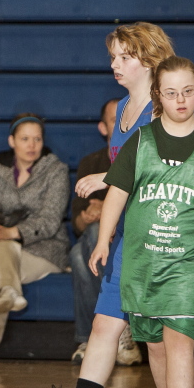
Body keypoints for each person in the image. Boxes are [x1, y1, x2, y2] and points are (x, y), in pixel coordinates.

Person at [28, 22, 174, 388]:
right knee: (105, 324)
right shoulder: (126, 108)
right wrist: (107, 233)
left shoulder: (162, 108)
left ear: (148, 59)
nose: (115, 64)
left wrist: (107, 177)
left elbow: (164, 170)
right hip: (131, 235)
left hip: (162, 235)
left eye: (124, 57)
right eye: (113, 56)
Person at [89, 56, 194, 388]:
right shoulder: (140, 141)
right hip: (145, 262)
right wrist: (103, 239)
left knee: (180, 339)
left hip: (191, 262)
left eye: (189, 91)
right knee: (157, 345)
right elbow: (116, 195)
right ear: (158, 96)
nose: (181, 100)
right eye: (172, 92)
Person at [0, 114, 70, 364]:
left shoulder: (56, 170)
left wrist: (10, 233)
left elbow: (50, 221)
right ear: (12, 141)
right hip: (2, 246)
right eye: (25, 139)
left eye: (37, 139)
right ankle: (8, 293)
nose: (32, 145)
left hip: (46, 250)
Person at [68, 99, 118, 365]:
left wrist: (109, 211)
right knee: (82, 247)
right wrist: (88, 214)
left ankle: (92, 337)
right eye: (114, 119)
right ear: (103, 127)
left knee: (80, 252)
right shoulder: (91, 162)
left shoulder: (143, 154)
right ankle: (120, 335)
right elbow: (76, 222)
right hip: (97, 242)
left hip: (133, 239)